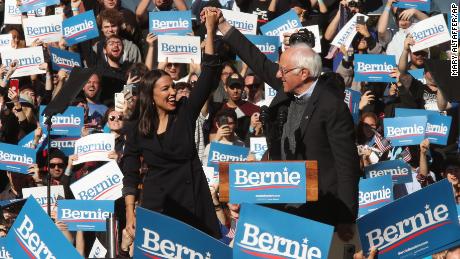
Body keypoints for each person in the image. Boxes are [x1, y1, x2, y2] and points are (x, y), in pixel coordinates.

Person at [202, 5, 360, 244]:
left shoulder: (332, 106)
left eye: (284, 70)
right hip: (282, 202)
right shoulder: (286, 89)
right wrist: (223, 24)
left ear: (304, 74)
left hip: (318, 208)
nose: (278, 75)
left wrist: (347, 217)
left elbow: (346, 165)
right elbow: (255, 58)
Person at [122, 9, 222, 239]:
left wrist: (209, 30)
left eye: (173, 87)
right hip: (158, 207)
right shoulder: (138, 127)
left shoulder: (185, 111)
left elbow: (208, 75)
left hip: (194, 204)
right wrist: (130, 211)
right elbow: (130, 170)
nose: (172, 93)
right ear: (150, 95)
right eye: (165, 89)